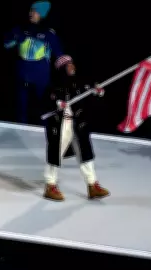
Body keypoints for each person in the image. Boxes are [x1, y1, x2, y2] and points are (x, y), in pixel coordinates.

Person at [44, 61, 110, 201]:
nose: (72, 67)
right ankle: (50, 185)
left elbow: (89, 91)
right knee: (56, 154)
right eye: (68, 65)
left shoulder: (79, 82)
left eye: (72, 64)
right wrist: (58, 103)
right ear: (62, 68)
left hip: (78, 124)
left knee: (85, 153)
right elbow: (49, 98)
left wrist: (98, 91)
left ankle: (92, 185)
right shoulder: (55, 85)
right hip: (62, 124)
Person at [4, 0, 71, 124]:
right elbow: (6, 45)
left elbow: (59, 52)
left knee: (42, 109)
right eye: (30, 10)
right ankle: (21, 128)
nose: (31, 13)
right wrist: (14, 38)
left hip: (40, 75)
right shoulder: (20, 29)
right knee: (21, 109)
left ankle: (44, 129)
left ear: (41, 14)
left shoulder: (48, 33)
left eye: (34, 11)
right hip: (22, 73)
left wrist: (68, 64)